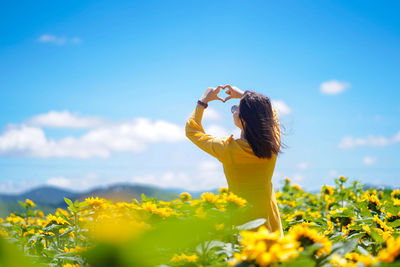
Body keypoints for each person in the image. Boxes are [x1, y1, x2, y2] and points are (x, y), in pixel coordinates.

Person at [185, 85, 284, 237]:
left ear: (242, 119)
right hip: (271, 224)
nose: (233, 111)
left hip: (242, 224)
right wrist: (245, 97)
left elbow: (193, 131)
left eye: (235, 109)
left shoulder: (228, 150)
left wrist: (203, 101)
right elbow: (270, 113)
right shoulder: (272, 144)